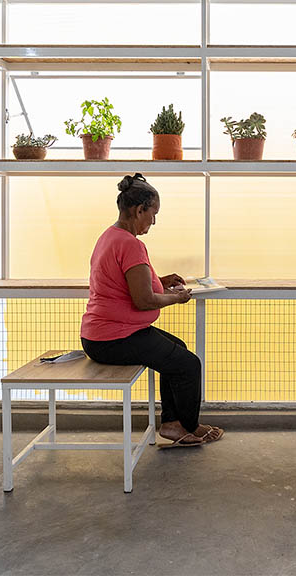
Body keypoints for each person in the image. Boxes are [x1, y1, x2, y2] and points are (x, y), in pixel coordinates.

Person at [80, 173, 223, 447]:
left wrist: (162, 281)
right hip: (115, 338)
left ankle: (172, 423)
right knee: (188, 365)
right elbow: (143, 300)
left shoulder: (109, 237)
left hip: (101, 336)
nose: (154, 221)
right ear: (139, 210)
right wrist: (177, 298)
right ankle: (188, 426)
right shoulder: (131, 244)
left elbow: (129, 282)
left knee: (177, 350)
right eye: (153, 213)